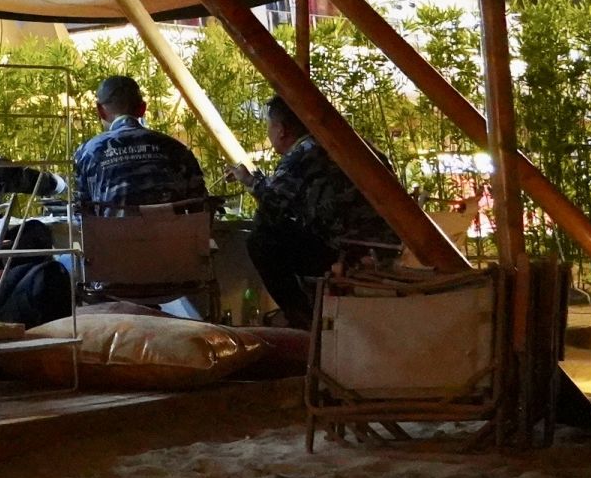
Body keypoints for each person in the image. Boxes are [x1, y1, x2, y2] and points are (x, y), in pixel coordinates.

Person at [239, 92, 399, 327]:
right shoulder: (353, 143)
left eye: (269, 126)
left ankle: (303, 319)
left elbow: (274, 203)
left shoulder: (303, 153)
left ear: (281, 130)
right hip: (390, 246)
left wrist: (249, 181)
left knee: (262, 238)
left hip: (348, 251)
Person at [71, 74, 206, 215]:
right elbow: (201, 209)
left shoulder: (87, 153)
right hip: (173, 229)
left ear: (100, 111)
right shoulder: (177, 149)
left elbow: (83, 215)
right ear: (142, 109)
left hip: (115, 230)